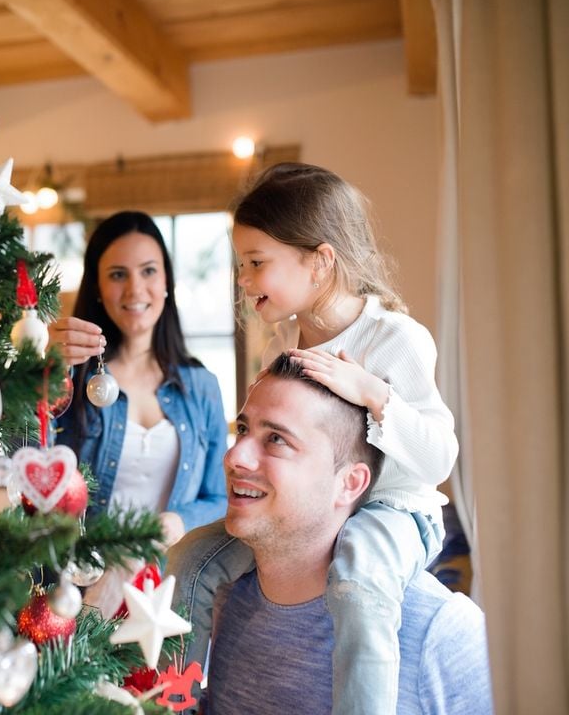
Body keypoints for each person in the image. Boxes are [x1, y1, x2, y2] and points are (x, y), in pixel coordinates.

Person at [167, 163, 459, 714]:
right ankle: (170, 701)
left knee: (359, 583)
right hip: (306, 513)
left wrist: (373, 393)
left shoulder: (394, 338)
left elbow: (439, 457)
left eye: (256, 263)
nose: (243, 279)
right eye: (239, 264)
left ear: (320, 261)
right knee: (190, 561)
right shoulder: (279, 345)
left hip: (392, 511)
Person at [193, 354, 491, 714]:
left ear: (350, 484)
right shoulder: (225, 598)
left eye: (275, 439)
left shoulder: (440, 633)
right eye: (243, 430)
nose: (235, 456)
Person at [48, 211, 228, 549]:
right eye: (118, 274)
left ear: (166, 283)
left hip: (171, 585)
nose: (135, 289)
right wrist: (45, 370)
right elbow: (29, 460)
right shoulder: (74, 376)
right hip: (83, 584)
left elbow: (221, 497)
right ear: (98, 288)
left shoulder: (202, 386)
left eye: (148, 271)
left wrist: (181, 520)